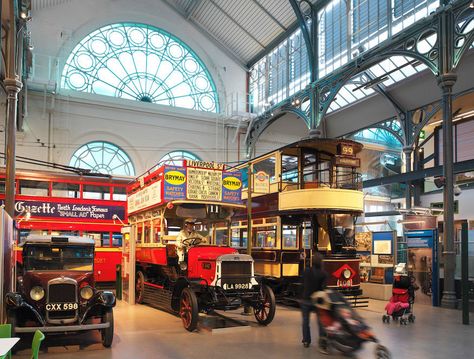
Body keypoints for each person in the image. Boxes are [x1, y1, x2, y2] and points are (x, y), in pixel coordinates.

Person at [301, 252, 328, 354]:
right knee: (321, 323)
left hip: (306, 300)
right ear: (321, 262)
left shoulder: (306, 271)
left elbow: (302, 284)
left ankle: (306, 341)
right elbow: (323, 289)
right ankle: (322, 342)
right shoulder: (324, 274)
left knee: (305, 322)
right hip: (317, 301)